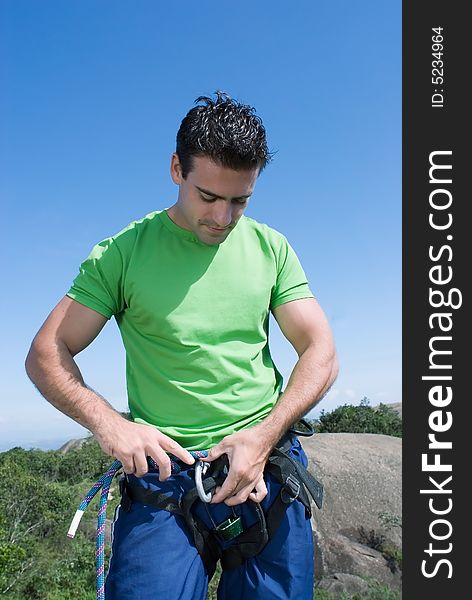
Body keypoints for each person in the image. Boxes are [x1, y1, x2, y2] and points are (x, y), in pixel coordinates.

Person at [25, 91, 338, 600]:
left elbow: (321, 349)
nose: (223, 217)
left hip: (262, 467)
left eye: (240, 200)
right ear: (176, 169)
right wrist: (110, 425)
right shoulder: (124, 253)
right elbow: (47, 352)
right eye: (208, 197)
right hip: (165, 481)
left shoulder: (270, 247)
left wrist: (262, 439)